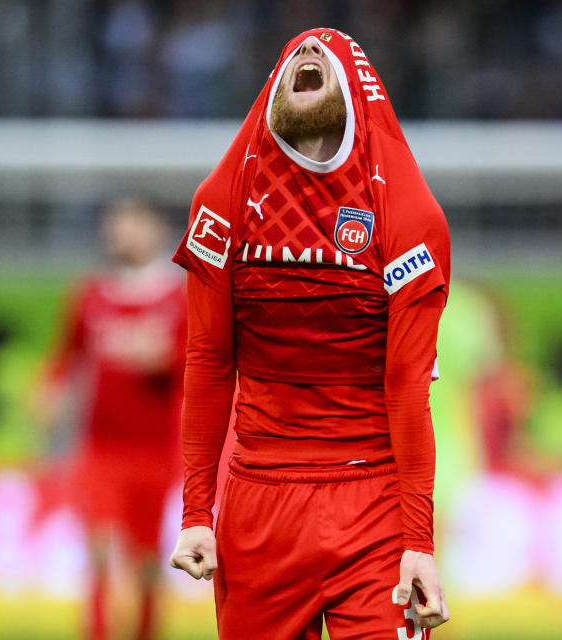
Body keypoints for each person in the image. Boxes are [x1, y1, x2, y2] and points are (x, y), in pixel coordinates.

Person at [168, 29, 451, 639]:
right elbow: (209, 362)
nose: (306, 53)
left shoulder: (408, 216)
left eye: (323, 53)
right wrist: (197, 514)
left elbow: (407, 387)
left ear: (356, 90)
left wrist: (418, 542)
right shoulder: (223, 201)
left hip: (372, 504)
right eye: (295, 51)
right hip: (258, 507)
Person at [41, 198, 187, 640]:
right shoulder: (89, 294)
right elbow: (66, 356)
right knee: (100, 546)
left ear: (155, 230)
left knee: (145, 559)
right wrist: (51, 389)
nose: (119, 233)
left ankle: (145, 630)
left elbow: (203, 362)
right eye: (114, 225)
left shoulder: (180, 296)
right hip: (100, 447)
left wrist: (163, 358)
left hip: (155, 448)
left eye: (130, 224)